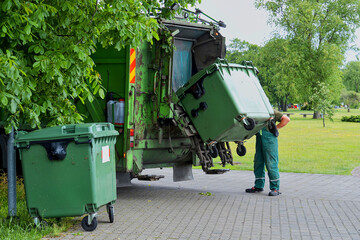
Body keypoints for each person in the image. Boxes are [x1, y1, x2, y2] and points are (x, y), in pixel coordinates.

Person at [245, 110, 290, 196]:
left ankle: (275, 188)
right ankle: (258, 186)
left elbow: (286, 119)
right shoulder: (256, 112)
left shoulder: (271, 111)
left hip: (270, 140)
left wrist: (275, 128)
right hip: (260, 139)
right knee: (258, 162)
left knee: (271, 163)